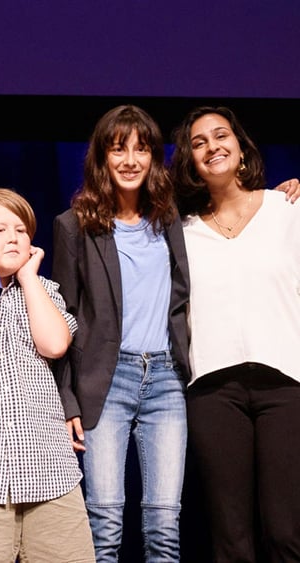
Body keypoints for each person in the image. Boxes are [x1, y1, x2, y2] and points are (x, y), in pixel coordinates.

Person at [51, 105, 190, 562]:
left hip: (166, 379)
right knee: (105, 523)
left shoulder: (172, 220)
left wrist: (283, 191)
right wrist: (68, 401)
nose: (130, 160)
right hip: (105, 383)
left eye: (141, 149)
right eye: (118, 149)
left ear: (154, 158)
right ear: (101, 157)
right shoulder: (74, 226)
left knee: (164, 525)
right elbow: (64, 317)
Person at [171, 106, 300, 562]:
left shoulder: (287, 209)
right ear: (191, 161)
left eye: (221, 135)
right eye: (199, 142)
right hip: (213, 389)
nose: (212, 147)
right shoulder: (181, 232)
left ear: (241, 149)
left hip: (285, 383)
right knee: (230, 538)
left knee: (286, 532)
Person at [0, 188, 94, 563]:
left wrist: (29, 278)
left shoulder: (44, 291)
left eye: (21, 230)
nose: (13, 237)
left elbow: (55, 344)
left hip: (49, 469)